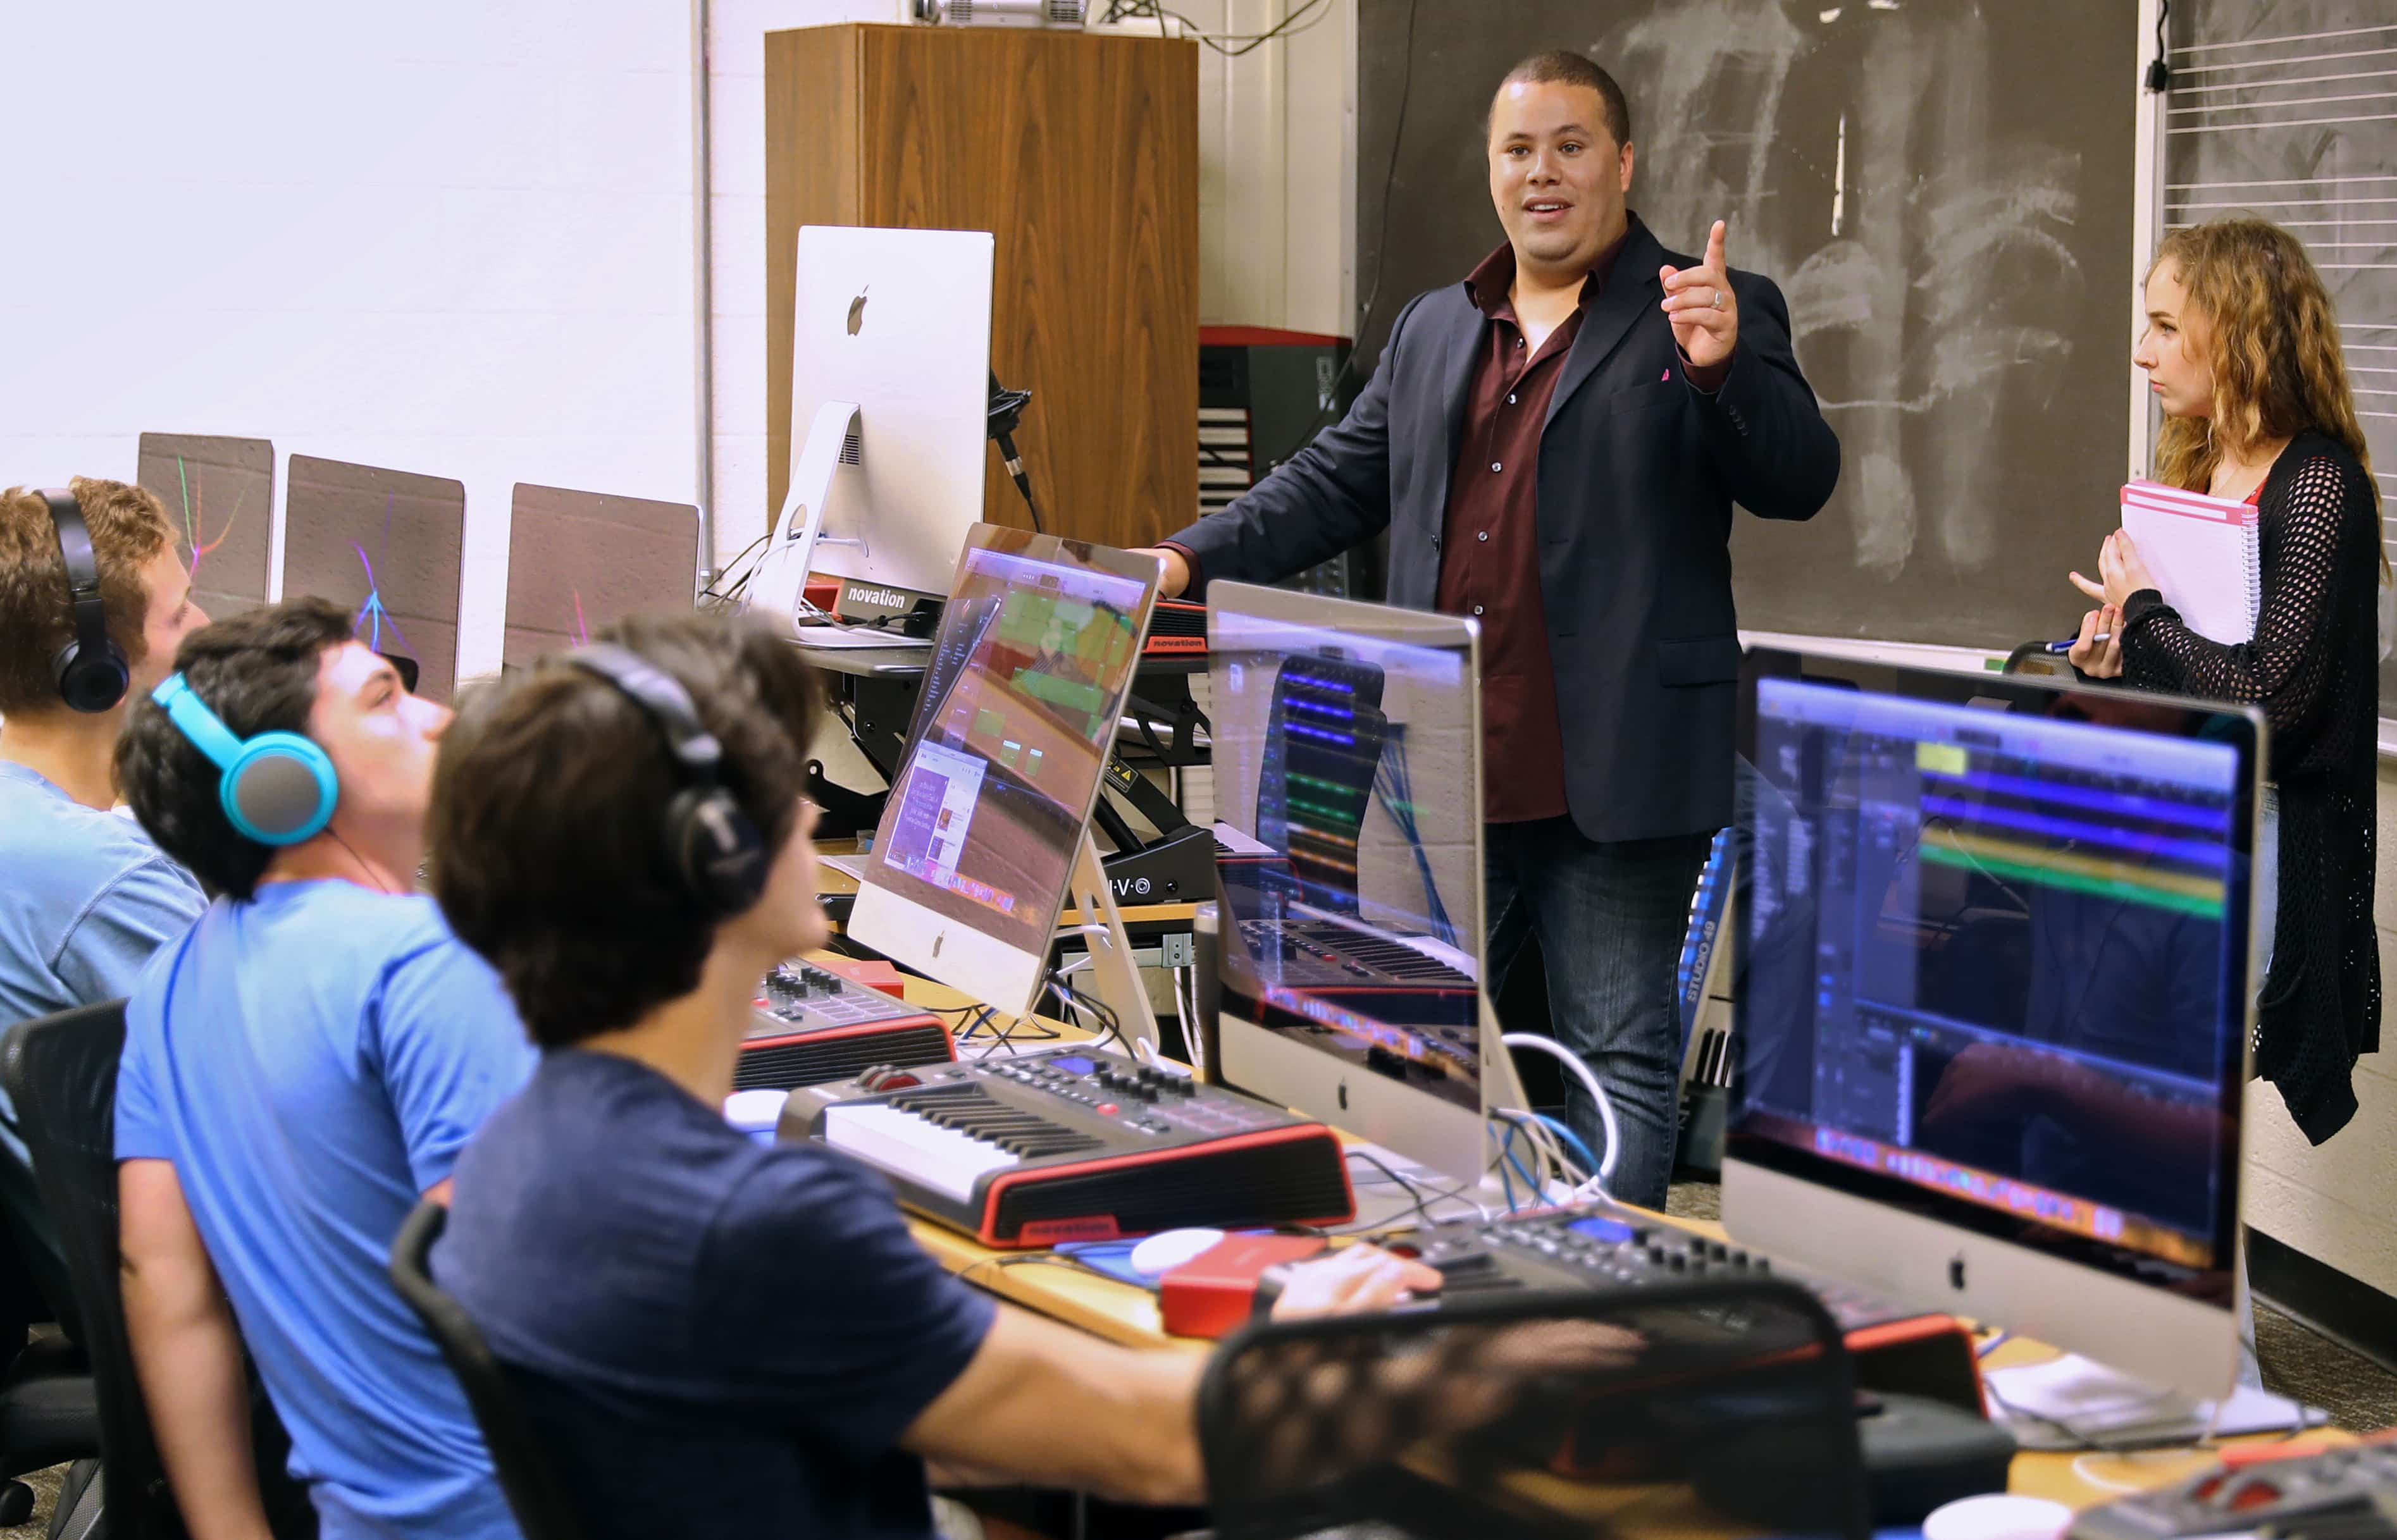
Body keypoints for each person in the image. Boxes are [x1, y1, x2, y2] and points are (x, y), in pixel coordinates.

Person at [428, 613, 1439, 1540]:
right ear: (714, 858)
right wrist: (1308, 1337)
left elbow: (904, 1403)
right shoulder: (761, 1227)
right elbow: (1167, 1447)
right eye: (785, 781)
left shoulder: (516, 1147)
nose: (807, 807)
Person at [1137, 50, 1840, 1205]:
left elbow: (1799, 478)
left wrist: (1721, 377)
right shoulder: (1434, 329)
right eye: (1520, 150)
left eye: (1571, 146)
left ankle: (1605, 1311)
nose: (1544, 173)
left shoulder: (1703, 306)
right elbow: (1329, 483)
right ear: (1493, 171)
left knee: (1613, 1061)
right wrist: (1184, 557)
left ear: (1624, 161)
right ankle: (1465, 1276)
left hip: (1614, 771)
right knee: (1422, 1043)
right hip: (1446, 772)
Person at [112, 597, 536, 1540]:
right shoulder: (423, 963)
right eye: (384, 699)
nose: (435, 716)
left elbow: (165, 1285)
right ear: (282, 787)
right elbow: (539, 1288)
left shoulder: (166, 985)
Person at [2067, 216, 2384, 1143]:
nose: (2142, 353)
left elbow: (2272, 706)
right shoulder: (2200, 467)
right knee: (2133, 1128)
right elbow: (2191, 682)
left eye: (2167, 327)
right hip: (2178, 820)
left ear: (2237, 329)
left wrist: (2150, 614)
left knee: (2159, 1133)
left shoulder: (2320, 483)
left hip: (2263, 841)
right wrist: (2116, 657)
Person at [0, 477, 209, 1345]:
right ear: (97, 673)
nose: (202, 631)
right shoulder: (96, 879)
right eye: (178, 613)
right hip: (187, 1312)